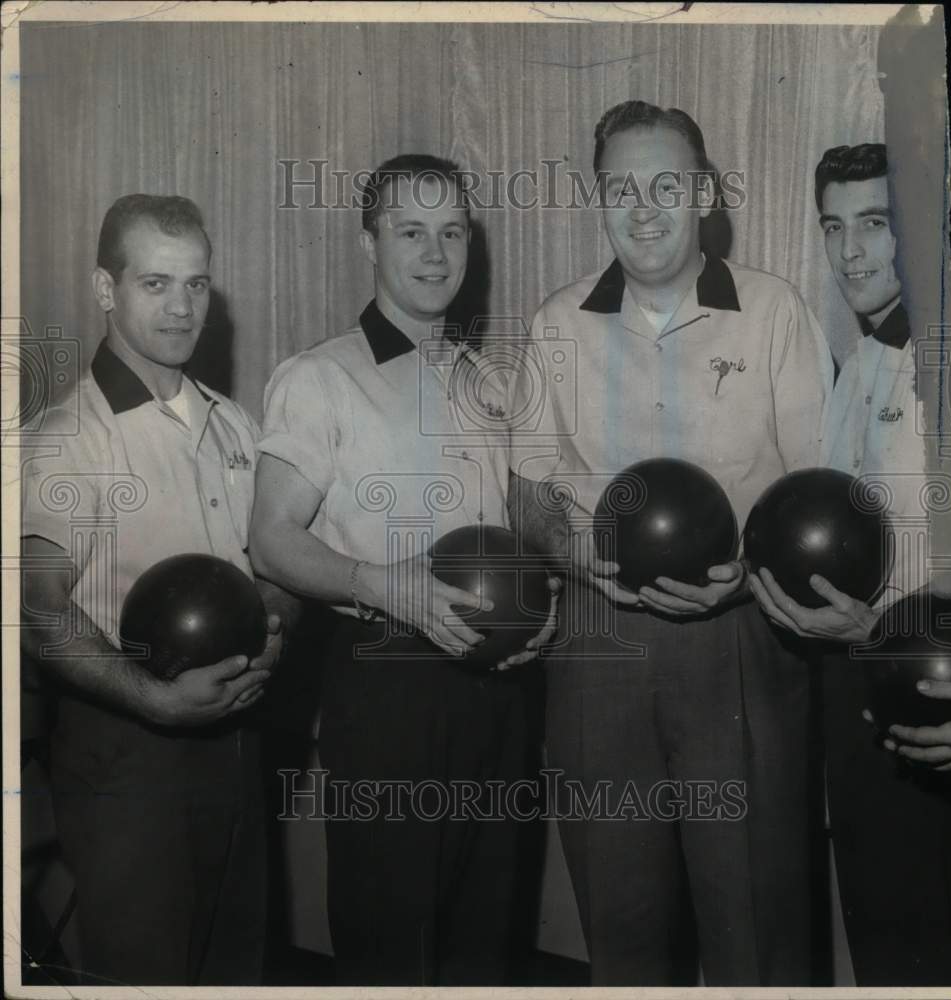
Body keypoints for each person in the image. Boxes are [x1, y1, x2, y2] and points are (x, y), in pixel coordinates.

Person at [511, 99, 834, 985]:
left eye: (665, 185)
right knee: (621, 922)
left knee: (755, 921)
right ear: (597, 198)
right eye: (621, 188)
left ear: (702, 193)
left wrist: (743, 584)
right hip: (596, 640)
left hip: (740, 637)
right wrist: (577, 558)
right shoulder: (556, 324)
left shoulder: (772, 310)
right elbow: (528, 488)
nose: (643, 208)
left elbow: (820, 488)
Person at [249, 154, 554, 986]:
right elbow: (271, 538)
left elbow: (513, 538)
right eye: (410, 231)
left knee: (484, 936)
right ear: (368, 243)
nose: (434, 252)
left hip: (495, 686)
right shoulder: (320, 377)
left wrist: (537, 615)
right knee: (392, 938)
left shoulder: (485, 379)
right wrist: (382, 584)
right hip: (385, 680)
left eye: (451, 231)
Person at [19, 195, 295, 986]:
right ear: (106, 290)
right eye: (155, 284)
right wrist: (151, 698)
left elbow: (272, 574)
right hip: (126, 753)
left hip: (235, 741)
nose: (182, 308)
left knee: (235, 969)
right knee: (148, 976)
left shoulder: (233, 424)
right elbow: (38, 610)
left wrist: (278, 625)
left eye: (197, 285)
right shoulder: (71, 437)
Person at [748, 143, 951, 985]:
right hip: (856, 704)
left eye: (875, 224)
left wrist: (877, 631)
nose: (849, 253)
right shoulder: (856, 364)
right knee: (884, 946)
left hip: (938, 700)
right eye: (833, 227)